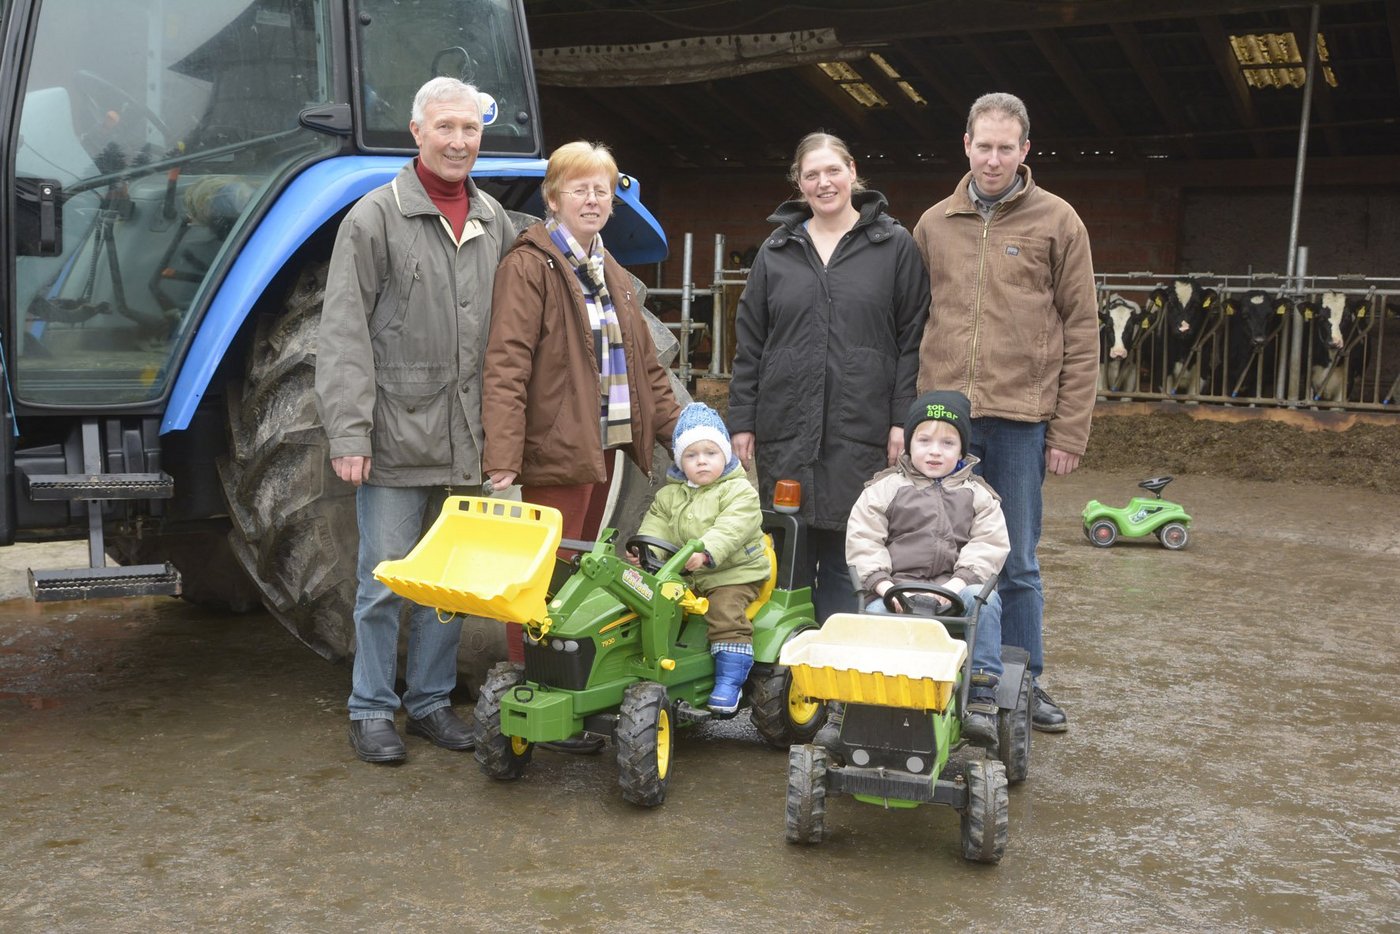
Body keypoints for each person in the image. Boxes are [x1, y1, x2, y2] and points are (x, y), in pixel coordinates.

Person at [315, 77, 515, 764]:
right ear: (417, 132)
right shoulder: (373, 218)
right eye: (446, 128)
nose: (459, 141)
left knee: (449, 585)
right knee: (384, 582)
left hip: (467, 436)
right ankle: (371, 708)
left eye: (469, 129)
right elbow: (342, 331)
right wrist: (349, 431)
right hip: (396, 434)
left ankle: (430, 703)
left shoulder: (495, 219)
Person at [482, 140, 683, 748]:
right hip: (556, 447)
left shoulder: (612, 272)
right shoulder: (530, 265)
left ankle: (569, 688)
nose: (593, 199)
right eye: (579, 189)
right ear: (554, 198)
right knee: (540, 576)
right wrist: (502, 456)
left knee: (579, 574)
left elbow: (648, 371)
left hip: (605, 449)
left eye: (602, 189)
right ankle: (528, 688)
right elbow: (507, 362)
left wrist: (692, 437)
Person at [911, 92, 1099, 733]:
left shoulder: (1058, 221)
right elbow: (912, 324)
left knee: (1016, 559)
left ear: (1025, 151)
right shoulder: (934, 224)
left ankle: (1023, 684)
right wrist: (905, 421)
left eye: (1005, 147)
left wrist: (1069, 427)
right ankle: (945, 677)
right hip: (946, 422)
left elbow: (1082, 328)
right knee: (937, 552)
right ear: (965, 145)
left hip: (1022, 420)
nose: (992, 159)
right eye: (982, 146)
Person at [728, 131, 929, 622]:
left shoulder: (893, 246)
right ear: (798, 183)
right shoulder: (776, 251)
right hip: (786, 424)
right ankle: (787, 675)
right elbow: (750, 342)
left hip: (861, 424)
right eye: (811, 174)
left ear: (853, 172)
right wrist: (742, 420)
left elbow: (912, 340)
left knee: (850, 555)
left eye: (832, 171)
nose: (824, 183)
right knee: (787, 554)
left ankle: (837, 673)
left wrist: (903, 419)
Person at [845, 391, 1009, 746]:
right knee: (869, 615)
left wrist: (956, 584)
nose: (935, 451)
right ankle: (857, 702)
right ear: (907, 445)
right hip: (897, 590)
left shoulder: (979, 495)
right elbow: (864, 541)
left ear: (962, 451)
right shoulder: (883, 489)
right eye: (925, 440)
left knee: (988, 601)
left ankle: (981, 693)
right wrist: (884, 587)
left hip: (956, 589)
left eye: (947, 442)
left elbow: (988, 547)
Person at [627, 403, 771, 714]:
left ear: (726, 455)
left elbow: (731, 529)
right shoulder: (669, 495)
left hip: (734, 574)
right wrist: (646, 554)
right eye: (691, 455)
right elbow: (657, 526)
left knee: (724, 612)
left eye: (710, 453)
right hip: (687, 575)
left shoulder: (739, 491)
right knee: (647, 604)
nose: (701, 461)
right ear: (680, 461)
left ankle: (729, 681)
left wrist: (705, 552)